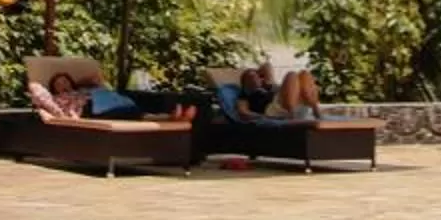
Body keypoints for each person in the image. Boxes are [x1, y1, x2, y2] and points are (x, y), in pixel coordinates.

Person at [30, 69, 190, 126]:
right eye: (58, 83)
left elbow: (96, 77)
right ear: (53, 88)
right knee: (133, 112)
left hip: (108, 103)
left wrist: (77, 84)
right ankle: (170, 118)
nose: (62, 84)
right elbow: (34, 87)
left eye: (65, 80)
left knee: (137, 106)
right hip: (90, 110)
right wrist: (61, 115)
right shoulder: (56, 98)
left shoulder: (84, 89)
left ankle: (171, 118)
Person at [219, 63, 325, 122]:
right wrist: (263, 117)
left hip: (290, 105)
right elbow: (243, 112)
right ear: (245, 83)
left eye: (257, 75)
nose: (255, 78)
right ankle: (292, 114)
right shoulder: (245, 94)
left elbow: (267, 65)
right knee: (291, 74)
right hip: (274, 110)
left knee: (304, 74)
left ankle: (315, 108)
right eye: (250, 77)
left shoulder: (268, 86)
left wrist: (264, 81)